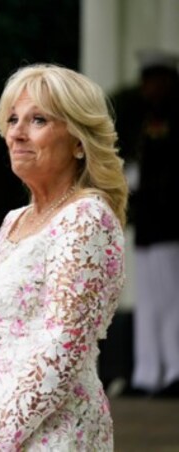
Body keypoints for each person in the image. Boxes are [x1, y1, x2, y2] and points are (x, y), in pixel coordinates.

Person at [0, 64, 128, 452]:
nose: (16, 133)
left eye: (38, 120)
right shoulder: (16, 219)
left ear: (79, 141)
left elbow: (64, 345)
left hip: (57, 434)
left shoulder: (86, 217)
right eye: (12, 120)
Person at [112, 49, 179, 398]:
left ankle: (174, 370)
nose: (148, 89)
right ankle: (149, 373)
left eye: (154, 81)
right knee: (151, 300)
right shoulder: (145, 120)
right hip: (149, 226)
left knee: (171, 300)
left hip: (170, 224)